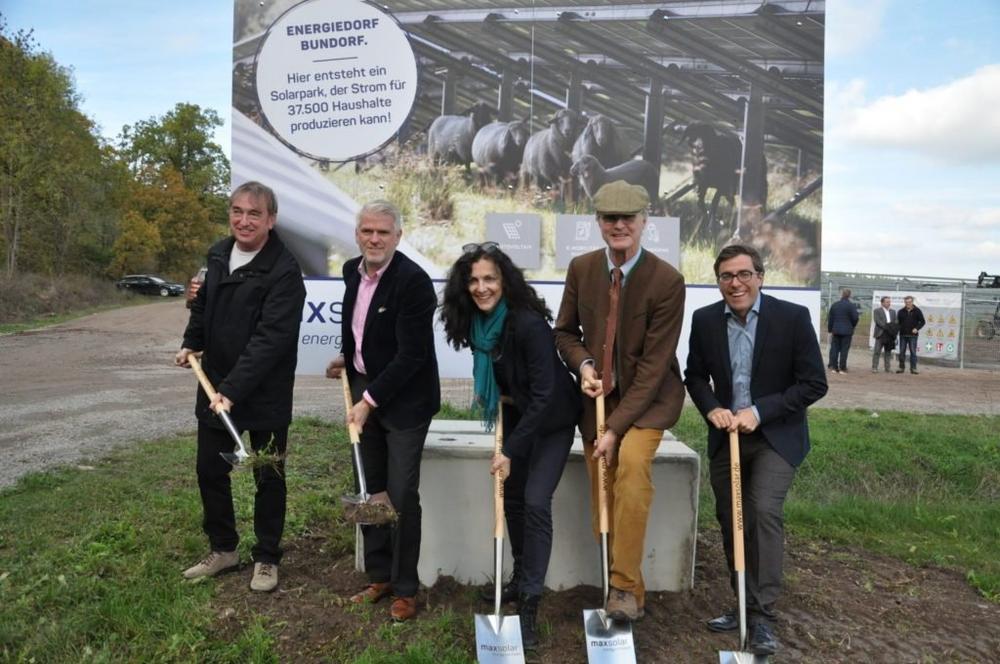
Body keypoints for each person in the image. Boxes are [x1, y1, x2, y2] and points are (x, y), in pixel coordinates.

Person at [684, 244, 827, 657]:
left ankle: (762, 616)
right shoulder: (705, 320)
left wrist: (760, 412)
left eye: (744, 274)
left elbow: (814, 383)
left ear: (760, 277)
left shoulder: (792, 318)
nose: (736, 283)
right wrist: (713, 409)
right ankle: (742, 602)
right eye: (727, 276)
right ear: (718, 281)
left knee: (762, 510)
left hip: (775, 437)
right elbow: (695, 377)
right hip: (726, 437)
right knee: (732, 519)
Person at [553, 180, 686, 622]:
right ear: (599, 222)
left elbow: (654, 368)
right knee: (603, 498)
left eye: (628, 217)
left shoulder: (667, 281)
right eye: (610, 218)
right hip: (597, 401)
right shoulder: (582, 268)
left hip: (648, 403)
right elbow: (565, 333)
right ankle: (630, 594)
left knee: (630, 468)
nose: (619, 225)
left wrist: (614, 429)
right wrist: (585, 365)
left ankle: (622, 587)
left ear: (644, 221)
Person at [439, 242, 580, 649]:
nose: (481, 288)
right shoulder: (477, 326)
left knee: (535, 501)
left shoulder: (528, 324)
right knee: (513, 499)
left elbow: (544, 394)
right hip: (516, 412)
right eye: (474, 281)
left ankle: (530, 604)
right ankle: (519, 578)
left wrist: (510, 451)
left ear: (505, 282)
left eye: (490, 279)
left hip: (552, 420)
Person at [175, 180, 306, 592]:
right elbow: (202, 306)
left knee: (268, 475)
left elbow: (271, 340)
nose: (244, 221)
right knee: (210, 470)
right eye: (237, 211)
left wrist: (231, 390)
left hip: (263, 392)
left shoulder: (284, 270)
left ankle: (266, 557)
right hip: (216, 388)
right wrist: (191, 342)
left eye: (254, 213)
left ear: (271, 219)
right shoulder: (218, 254)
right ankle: (224, 549)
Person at [325, 200, 440, 623]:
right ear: (357, 234)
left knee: (401, 494)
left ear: (398, 237)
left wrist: (368, 401)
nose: (374, 239)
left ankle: (406, 588)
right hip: (364, 389)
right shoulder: (350, 272)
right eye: (367, 231)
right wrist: (349, 359)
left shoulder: (414, 283)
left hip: (405, 402)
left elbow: (411, 356)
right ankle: (380, 576)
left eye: (383, 233)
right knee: (368, 485)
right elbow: (362, 330)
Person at [827, 288, 859, 373]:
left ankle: (834, 367)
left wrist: (830, 329)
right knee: (844, 350)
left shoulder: (835, 305)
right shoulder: (851, 306)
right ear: (849, 295)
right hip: (847, 331)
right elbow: (855, 318)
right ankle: (842, 368)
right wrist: (852, 326)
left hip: (836, 330)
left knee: (834, 349)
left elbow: (830, 319)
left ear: (841, 294)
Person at [896, 296, 926, 374]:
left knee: (913, 352)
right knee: (901, 352)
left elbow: (923, 322)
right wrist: (897, 332)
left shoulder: (917, 311)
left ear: (912, 302)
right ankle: (901, 367)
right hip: (903, 335)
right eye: (906, 302)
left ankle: (913, 368)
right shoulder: (900, 311)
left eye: (909, 302)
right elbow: (898, 323)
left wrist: (917, 328)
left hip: (913, 336)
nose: (908, 304)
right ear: (904, 302)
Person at [871, 296, 897, 373]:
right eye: (887, 302)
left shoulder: (893, 312)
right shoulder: (877, 311)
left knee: (888, 352)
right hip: (881, 333)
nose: (889, 303)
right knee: (877, 351)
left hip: (890, 334)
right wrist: (888, 327)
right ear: (882, 303)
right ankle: (874, 367)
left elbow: (895, 322)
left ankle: (887, 368)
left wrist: (893, 330)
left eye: (889, 302)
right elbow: (878, 321)